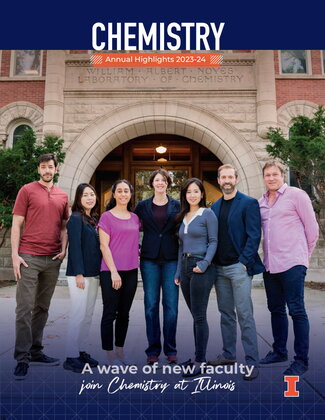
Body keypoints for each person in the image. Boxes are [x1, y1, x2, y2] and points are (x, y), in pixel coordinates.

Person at [11, 153, 69, 380]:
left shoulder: (62, 195)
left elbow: (64, 227)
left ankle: (36, 351)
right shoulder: (26, 190)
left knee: (42, 308)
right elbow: (17, 224)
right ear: (38, 169)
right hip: (29, 256)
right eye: (43, 167)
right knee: (24, 308)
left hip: (53, 258)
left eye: (50, 167)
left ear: (56, 169)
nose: (47, 170)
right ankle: (22, 358)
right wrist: (15, 255)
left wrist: (63, 249)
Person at [259, 160, 319, 375]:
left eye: (275, 174)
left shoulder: (297, 195)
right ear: (264, 178)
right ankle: (279, 351)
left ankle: (301, 360)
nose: (271, 178)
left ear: (282, 175)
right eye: (267, 175)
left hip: (293, 262)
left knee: (296, 310)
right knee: (276, 310)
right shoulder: (261, 202)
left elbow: (312, 229)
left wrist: (304, 257)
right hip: (270, 265)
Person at [208, 164, 264, 381]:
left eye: (231, 176)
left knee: (244, 314)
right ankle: (229, 355)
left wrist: (243, 262)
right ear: (219, 180)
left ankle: (252, 361)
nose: (227, 180)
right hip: (219, 269)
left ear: (236, 179)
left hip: (238, 268)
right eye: (224, 177)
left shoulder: (248, 203)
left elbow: (254, 235)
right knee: (226, 314)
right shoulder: (215, 206)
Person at [134, 169, 180, 364]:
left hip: (171, 259)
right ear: (151, 183)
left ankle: (170, 349)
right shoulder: (142, 206)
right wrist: (135, 246)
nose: (160, 183)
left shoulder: (177, 205)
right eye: (157, 180)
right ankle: (152, 350)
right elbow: (131, 226)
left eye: (163, 180)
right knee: (151, 306)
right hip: (149, 260)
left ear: (168, 184)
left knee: (171, 307)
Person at [174, 178, 218, 377]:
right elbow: (181, 246)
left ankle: (200, 361)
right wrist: (177, 272)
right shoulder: (183, 216)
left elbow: (213, 241)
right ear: (184, 195)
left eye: (196, 191)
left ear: (202, 194)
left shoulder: (207, 213)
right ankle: (197, 356)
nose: (192, 195)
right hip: (184, 266)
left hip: (201, 267)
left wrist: (205, 263)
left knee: (199, 316)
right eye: (188, 192)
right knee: (195, 316)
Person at [98, 180, 140, 365]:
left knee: (124, 313)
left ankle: (120, 352)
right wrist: (114, 272)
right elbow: (103, 246)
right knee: (110, 313)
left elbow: (132, 242)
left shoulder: (134, 217)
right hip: (110, 272)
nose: (123, 194)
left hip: (131, 271)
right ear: (114, 194)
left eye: (127, 191)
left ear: (130, 194)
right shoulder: (106, 217)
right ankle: (109, 355)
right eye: (120, 191)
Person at [63, 183, 102, 373]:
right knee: (78, 315)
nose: (89, 198)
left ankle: (82, 351)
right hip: (79, 275)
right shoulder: (75, 219)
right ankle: (71, 357)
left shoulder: (92, 219)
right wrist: (79, 273)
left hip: (93, 274)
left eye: (92, 194)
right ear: (79, 198)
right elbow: (75, 248)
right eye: (85, 195)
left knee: (87, 315)